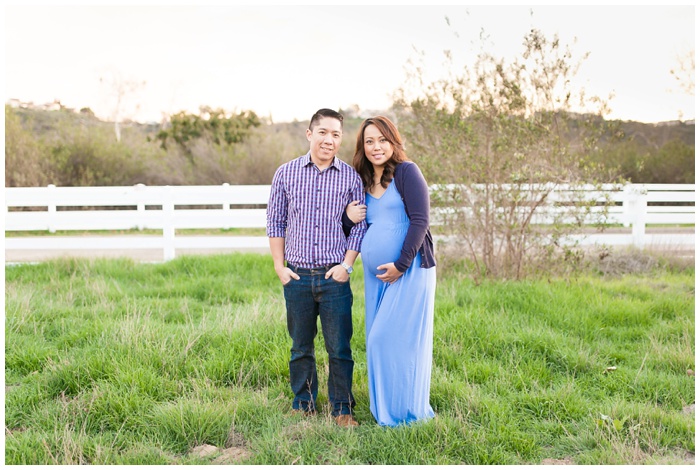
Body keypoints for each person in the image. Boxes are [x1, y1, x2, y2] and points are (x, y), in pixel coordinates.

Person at [266, 108, 367, 427]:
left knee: (339, 347)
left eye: (336, 134)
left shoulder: (351, 177)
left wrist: (347, 266)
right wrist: (279, 267)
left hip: (334, 277)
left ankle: (342, 409)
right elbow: (275, 221)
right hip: (296, 276)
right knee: (300, 347)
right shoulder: (286, 173)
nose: (329, 139)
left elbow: (360, 226)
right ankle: (303, 402)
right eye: (323, 132)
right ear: (309, 134)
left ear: (341, 139)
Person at [344, 115, 437, 427]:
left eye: (382, 139)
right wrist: (347, 217)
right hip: (377, 279)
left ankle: (408, 412)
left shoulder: (407, 172)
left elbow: (421, 221)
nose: (376, 147)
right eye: (369, 141)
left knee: (391, 340)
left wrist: (400, 264)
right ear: (362, 147)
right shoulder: (362, 179)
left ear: (393, 141)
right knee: (378, 342)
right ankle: (386, 412)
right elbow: (352, 227)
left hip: (409, 272)